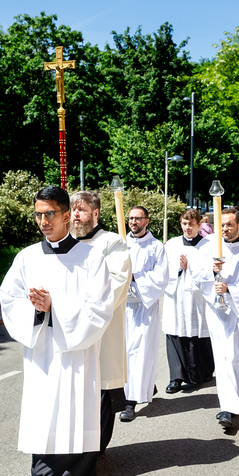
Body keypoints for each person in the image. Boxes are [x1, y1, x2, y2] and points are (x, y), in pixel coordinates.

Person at [0, 186, 113, 476]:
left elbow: (99, 311)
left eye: (50, 214)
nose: (43, 221)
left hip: (77, 366)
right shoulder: (26, 258)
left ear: (67, 216)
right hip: (41, 367)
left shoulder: (92, 258)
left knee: (74, 449)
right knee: (44, 450)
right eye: (38, 214)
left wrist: (55, 307)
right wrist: (35, 313)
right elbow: (10, 301)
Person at [192, 207, 239, 429]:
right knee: (223, 357)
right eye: (221, 225)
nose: (225, 229)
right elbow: (196, 275)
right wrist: (210, 270)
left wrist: (230, 289)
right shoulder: (209, 246)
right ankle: (226, 407)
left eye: (229, 224)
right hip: (217, 311)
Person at [70, 190, 132, 452]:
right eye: (73, 210)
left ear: (95, 213)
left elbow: (117, 282)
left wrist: (82, 308)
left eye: (81, 210)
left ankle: (96, 449)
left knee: (100, 391)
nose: (75, 215)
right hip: (69, 329)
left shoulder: (112, 242)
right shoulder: (64, 243)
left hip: (101, 330)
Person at [121, 206, 169, 422]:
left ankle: (130, 402)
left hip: (144, 307)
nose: (133, 222)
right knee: (124, 353)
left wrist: (135, 277)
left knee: (139, 354)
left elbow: (161, 277)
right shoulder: (121, 244)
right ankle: (143, 386)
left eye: (138, 218)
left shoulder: (156, 247)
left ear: (147, 221)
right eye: (131, 218)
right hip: (123, 307)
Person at [162, 209, 214, 393]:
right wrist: (179, 268)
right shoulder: (172, 245)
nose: (187, 228)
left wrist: (190, 268)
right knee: (175, 333)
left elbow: (212, 270)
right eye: (184, 224)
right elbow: (163, 269)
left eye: (191, 224)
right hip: (176, 295)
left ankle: (201, 373)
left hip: (197, 298)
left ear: (199, 225)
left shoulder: (209, 246)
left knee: (197, 333)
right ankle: (176, 378)